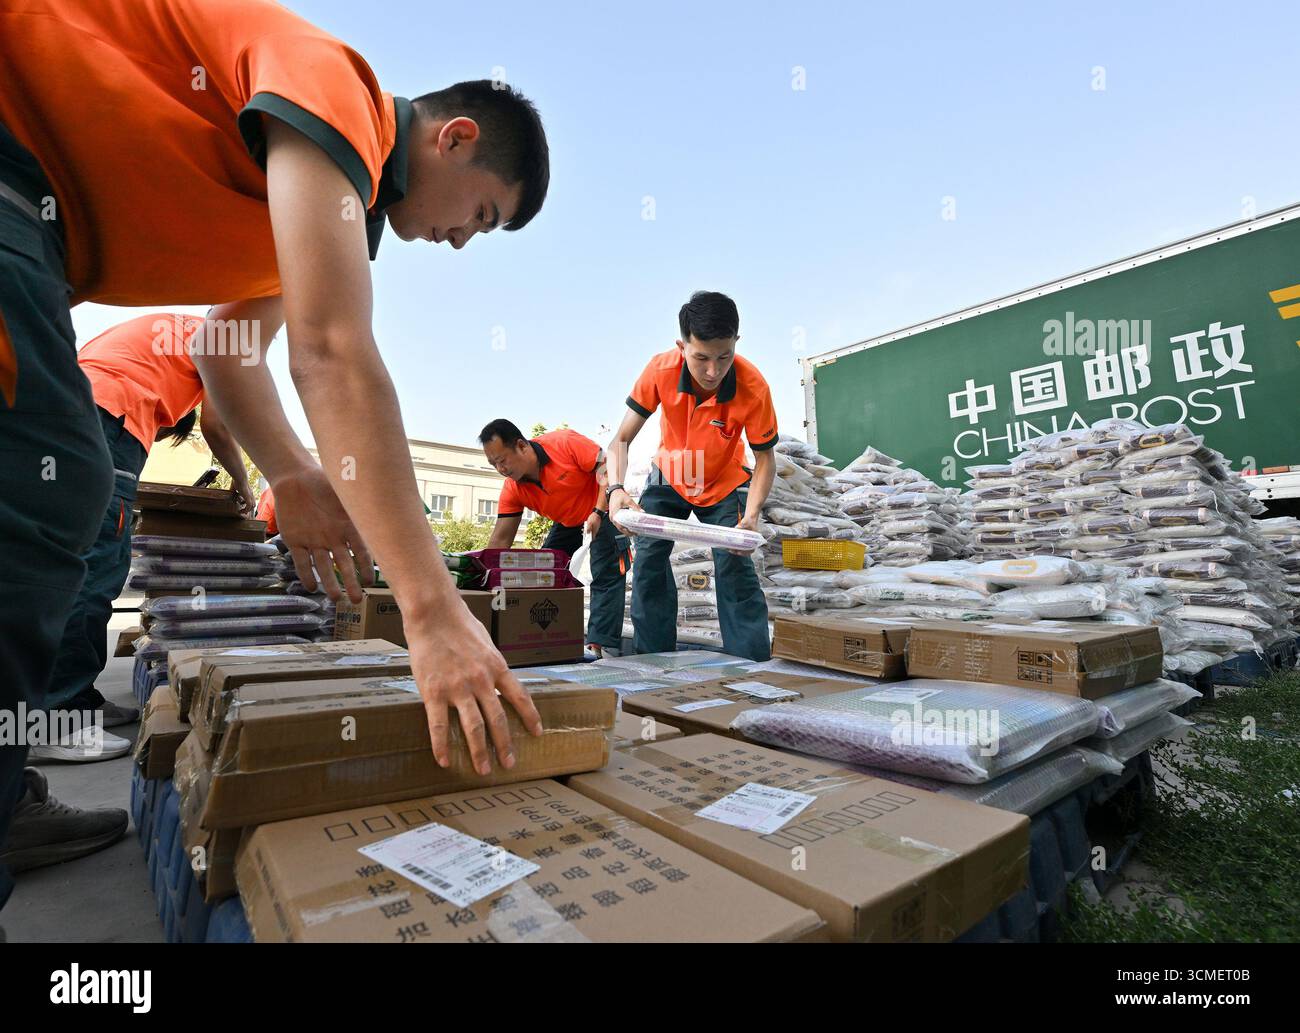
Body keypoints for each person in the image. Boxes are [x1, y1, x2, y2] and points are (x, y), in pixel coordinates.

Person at [0, 0, 550, 915]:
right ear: (453, 138)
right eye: (481, 215)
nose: (460, 240)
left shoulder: (325, 205)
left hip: (42, 232)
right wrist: (431, 610)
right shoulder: (343, 92)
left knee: (58, 484)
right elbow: (330, 351)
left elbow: (226, 352)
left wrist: (294, 471)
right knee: (43, 486)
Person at [605, 292, 777, 661]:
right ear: (681, 346)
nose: (713, 371)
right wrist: (616, 489)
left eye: (724, 357)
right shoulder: (660, 370)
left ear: (736, 344)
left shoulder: (753, 386)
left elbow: (765, 459)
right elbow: (620, 439)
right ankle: (653, 663)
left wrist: (750, 517)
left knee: (734, 564)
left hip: (724, 482)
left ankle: (751, 669)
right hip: (669, 476)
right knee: (649, 561)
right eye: (701, 358)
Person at [480, 421, 631, 656]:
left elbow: (607, 467)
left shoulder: (564, 443)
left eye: (502, 460)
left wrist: (599, 511)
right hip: (568, 521)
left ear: (521, 446)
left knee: (606, 573)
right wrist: (482, 579)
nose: (501, 469)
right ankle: (544, 638)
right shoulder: (513, 489)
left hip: (603, 508)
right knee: (544, 574)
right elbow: (500, 542)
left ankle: (601, 646)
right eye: (494, 464)